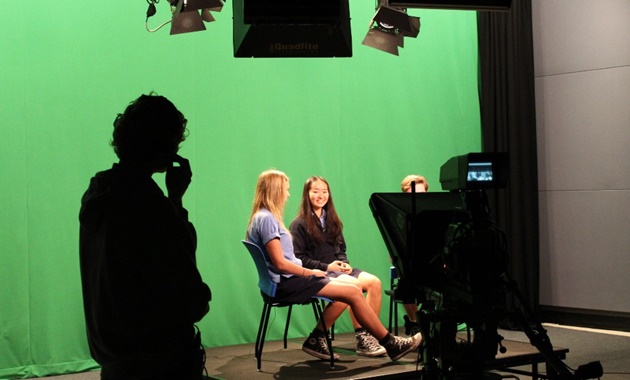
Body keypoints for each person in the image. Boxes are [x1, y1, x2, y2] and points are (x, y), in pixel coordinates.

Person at [79, 93, 212, 380]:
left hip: (117, 367)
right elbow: (188, 292)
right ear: (164, 146)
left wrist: (173, 200)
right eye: (175, 140)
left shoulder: (99, 194)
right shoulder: (147, 205)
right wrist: (174, 203)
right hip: (159, 363)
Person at [245, 169, 422, 362]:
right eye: (286, 190)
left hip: (289, 279)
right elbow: (281, 264)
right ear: (276, 190)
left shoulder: (261, 217)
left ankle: (322, 338)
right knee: (353, 290)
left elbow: (338, 248)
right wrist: (313, 271)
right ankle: (389, 343)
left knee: (355, 286)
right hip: (288, 282)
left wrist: (341, 265)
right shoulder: (269, 220)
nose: (288, 194)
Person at [290, 176, 386, 357]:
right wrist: (327, 267)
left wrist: (344, 263)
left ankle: (365, 337)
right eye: (315, 191)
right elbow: (298, 258)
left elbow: (340, 248)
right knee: (352, 286)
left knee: (374, 282)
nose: (321, 195)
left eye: (324, 191)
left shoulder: (333, 220)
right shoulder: (299, 224)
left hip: (337, 270)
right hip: (318, 272)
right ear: (307, 194)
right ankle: (321, 337)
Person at [398, 174, 429, 336]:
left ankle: (424, 323)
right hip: (411, 268)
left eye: (421, 194)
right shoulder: (399, 218)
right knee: (405, 287)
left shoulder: (433, 215)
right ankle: (416, 323)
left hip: (435, 266)